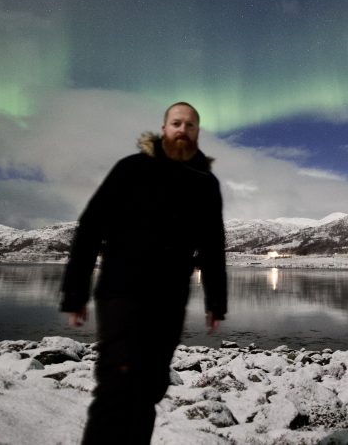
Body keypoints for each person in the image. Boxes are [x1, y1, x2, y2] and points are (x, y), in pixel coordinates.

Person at [60, 101, 227, 444]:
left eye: (191, 125)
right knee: (118, 384)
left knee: (150, 386)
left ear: (198, 133)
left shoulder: (206, 184)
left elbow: (213, 245)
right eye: (176, 123)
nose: (183, 129)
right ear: (163, 128)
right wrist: (75, 291)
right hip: (122, 292)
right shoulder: (130, 169)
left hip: (170, 299)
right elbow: (90, 226)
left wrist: (216, 301)